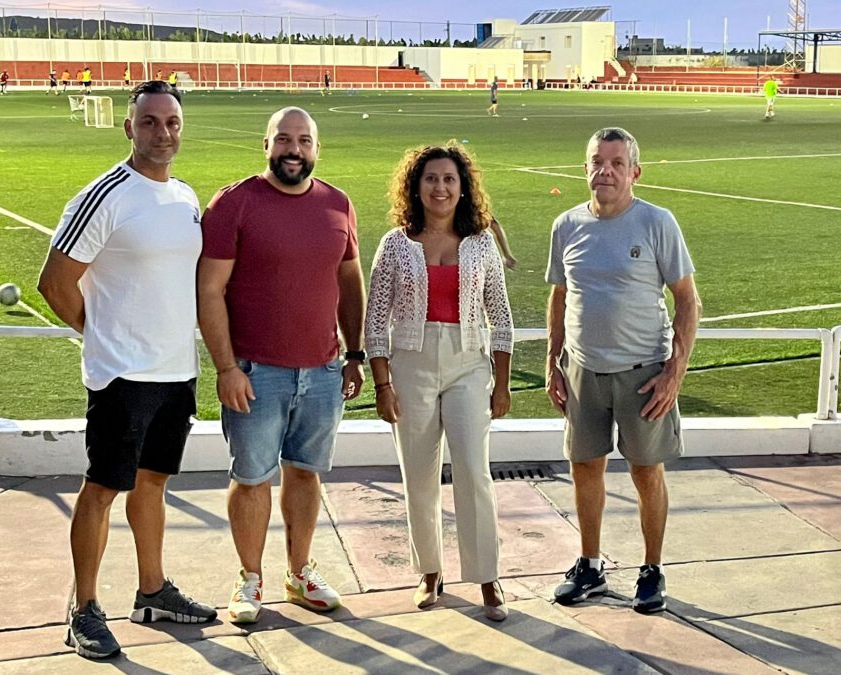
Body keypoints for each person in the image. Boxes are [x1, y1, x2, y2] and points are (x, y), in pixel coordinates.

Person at [38, 80, 217, 660]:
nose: (162, 133)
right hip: (122, 375)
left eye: (171, 123)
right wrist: (102, 337)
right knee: (102, 488)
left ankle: (152, 590)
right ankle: (83, 608)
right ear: (129, 128)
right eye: (149, 123)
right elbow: (55, 282)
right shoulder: (106, 194)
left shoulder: (187, 197)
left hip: (175, 370)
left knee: (153, 482)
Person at [198, 106, 365, 625]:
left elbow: (350, 283)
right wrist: (227, 368)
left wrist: (354, 353)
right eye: (284, 140)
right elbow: (209, 289)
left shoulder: (337, 204)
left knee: (306, 474)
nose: (294, 150)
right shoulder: (234, 204)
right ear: (265, 144)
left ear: (316, 148)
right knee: (251, 478)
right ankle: (250, 578)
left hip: (322, 372)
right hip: (256, 372)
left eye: (304, 141)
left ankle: (299, 574)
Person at [546, 127, 701, 615]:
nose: (604, 171)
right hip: (583, 372)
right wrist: (554, 359)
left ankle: (651, 570)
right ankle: (590, 565)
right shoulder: (566, 225)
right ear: (585, 168)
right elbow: (559, 295)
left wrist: (675, 371)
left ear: (634, 171)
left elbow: (688, 301)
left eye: (616, 163)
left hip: (644, 374)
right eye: (597, 162)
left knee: (645, 472)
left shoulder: (657, 222)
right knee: (585, 467)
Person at [364, 144, 513, 622]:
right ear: (416, 186)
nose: (441, 188)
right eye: (431, 179)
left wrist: (502, 383)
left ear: (463, 186)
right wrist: (383, 384)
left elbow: (502, 318)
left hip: (469, 363)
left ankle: (487, 576)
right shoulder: (395, 244)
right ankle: (430, 571)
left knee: (473, 469)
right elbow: (375, 321)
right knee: (419, 475)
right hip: (411, 364)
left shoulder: (482, 243)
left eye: (450, 179)